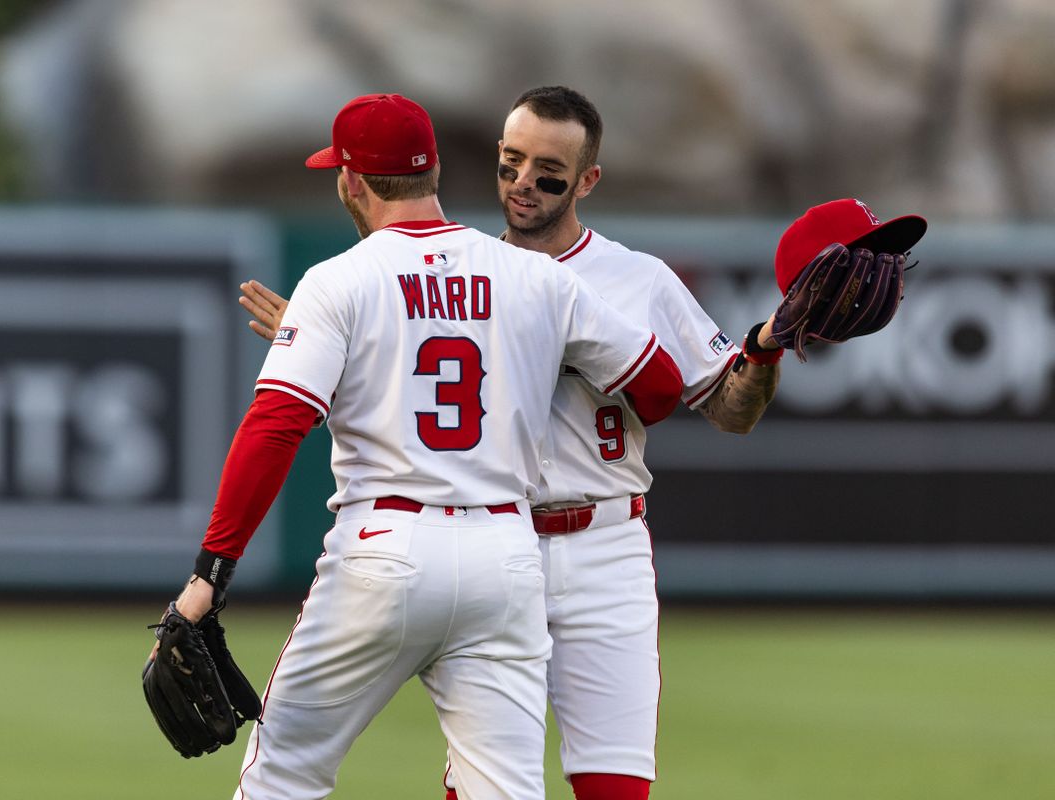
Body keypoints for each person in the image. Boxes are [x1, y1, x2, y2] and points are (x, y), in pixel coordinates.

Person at [239, 86, 783, 800]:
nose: (524, 182)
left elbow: (730, 409)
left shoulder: (638, 279)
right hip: (504, 538)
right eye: (510, 161)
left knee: (612, 785)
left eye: (548, 170)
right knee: (490, 781)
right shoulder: (464, 270)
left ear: (588, 180)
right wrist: (331, 350)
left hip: (603, 542)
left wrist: (768, 348)